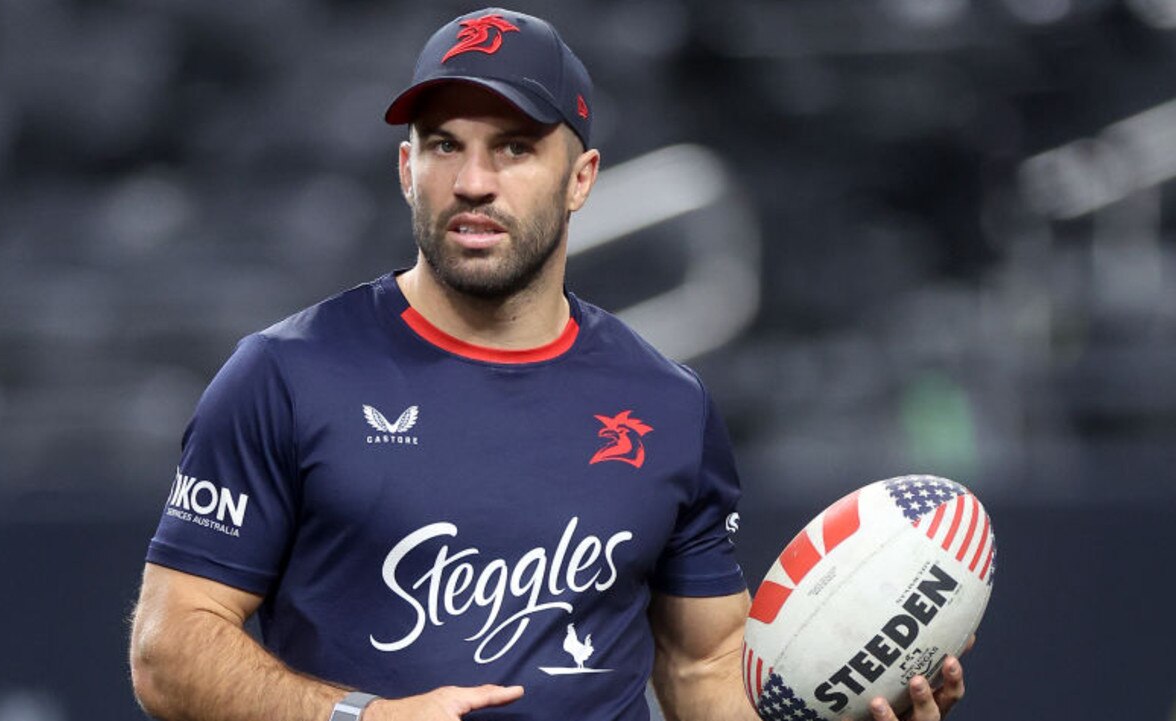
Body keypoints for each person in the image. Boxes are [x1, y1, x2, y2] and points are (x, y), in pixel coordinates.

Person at [129, 8, 969, 721]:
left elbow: (701, 667)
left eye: (516, 148)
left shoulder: (667, 404)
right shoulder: (284, 375)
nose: (472, 180)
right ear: (404, 169)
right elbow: (169, 650)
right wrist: (360, 716)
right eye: (443, 145)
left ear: (581, 179)